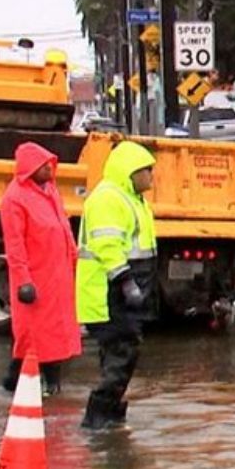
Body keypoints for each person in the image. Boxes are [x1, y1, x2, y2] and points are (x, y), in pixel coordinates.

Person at [76, 140, 158, 430]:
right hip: (107, 293)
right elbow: (107, 244)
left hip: (120, 292)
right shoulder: (109, 198)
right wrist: (125, 282)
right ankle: (99, 415)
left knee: (118, 353)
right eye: (146, 170)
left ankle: (108, 415)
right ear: (130, 171)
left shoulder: (132, 200)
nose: (151, 176)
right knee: (123, 351)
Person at [0, 142, 81, 395]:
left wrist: (73, 259)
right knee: (36, 335)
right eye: (43, 165)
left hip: (56, 275)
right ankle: (43, 382)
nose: (49, 169)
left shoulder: (50, 191)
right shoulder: (15, 199)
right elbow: (15, 245)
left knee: (50, 334)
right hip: (38, 277)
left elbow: (62, 228)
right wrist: (24, 280)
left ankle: (25, 379)